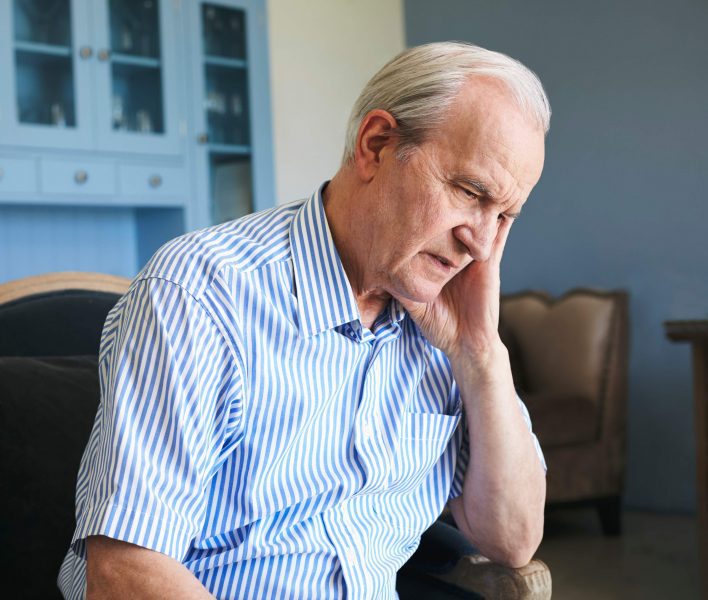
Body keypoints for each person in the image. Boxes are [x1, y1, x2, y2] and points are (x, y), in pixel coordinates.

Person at [59, 41, 549, 599]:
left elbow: (512, 539)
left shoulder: (448, 325)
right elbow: (125, 573)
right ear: (376, 145)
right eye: (470, 192)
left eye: (505, 215)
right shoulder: (199, 294)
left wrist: (481, 354)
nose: (481, 244)